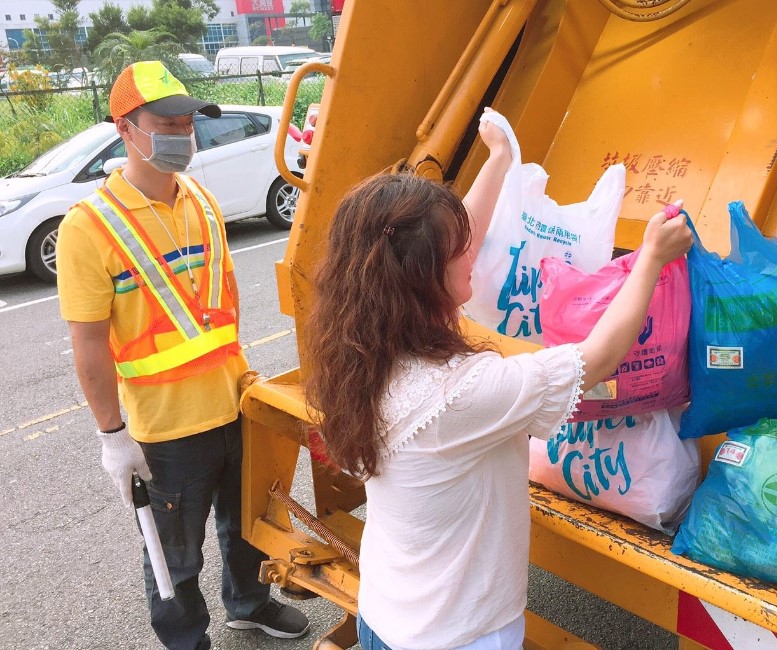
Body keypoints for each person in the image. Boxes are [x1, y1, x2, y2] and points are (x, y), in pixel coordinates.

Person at [303, 111, 693, 649]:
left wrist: (500, 159)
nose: (476, 253)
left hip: (386, 616)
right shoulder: (461, 393)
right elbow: (598, 358)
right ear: (421, 275)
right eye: (458, 250)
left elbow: (446, 241)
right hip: (458, 637)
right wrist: (651, 257)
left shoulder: (363, 349)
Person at [57, 60, 309, 650]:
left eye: (187, 120)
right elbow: (88, 344)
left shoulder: (199, 199)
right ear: (125, 129)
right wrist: (111, 437)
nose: (181, 133)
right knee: (174, 551)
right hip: (166, 430)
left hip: (234, 402)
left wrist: (246, 380)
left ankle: (248, 604)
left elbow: (218, 309)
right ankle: (186, 639)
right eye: (165, 122)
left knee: (246, 526)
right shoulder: (88, 228)